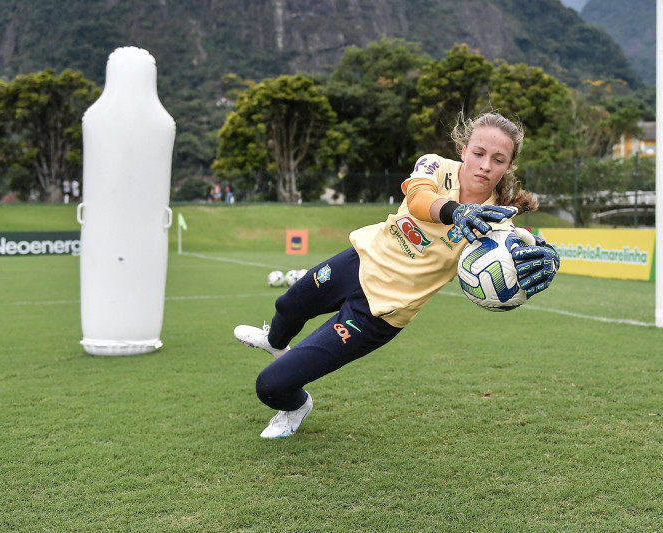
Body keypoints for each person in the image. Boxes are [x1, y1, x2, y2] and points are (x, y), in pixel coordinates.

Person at [234, 111, 560, 439]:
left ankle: (297, 405)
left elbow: (521, 253)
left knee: (271, 385)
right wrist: (457, 211)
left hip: (379, 313)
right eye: (478, 153)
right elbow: (418, 199)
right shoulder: (435, 165)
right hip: (357, 263)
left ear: (508, 166)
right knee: (287, 306)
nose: (486, 165)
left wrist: (548, 262)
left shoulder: (498, 227)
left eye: (498, 159)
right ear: (463, 151)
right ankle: (275, 343)